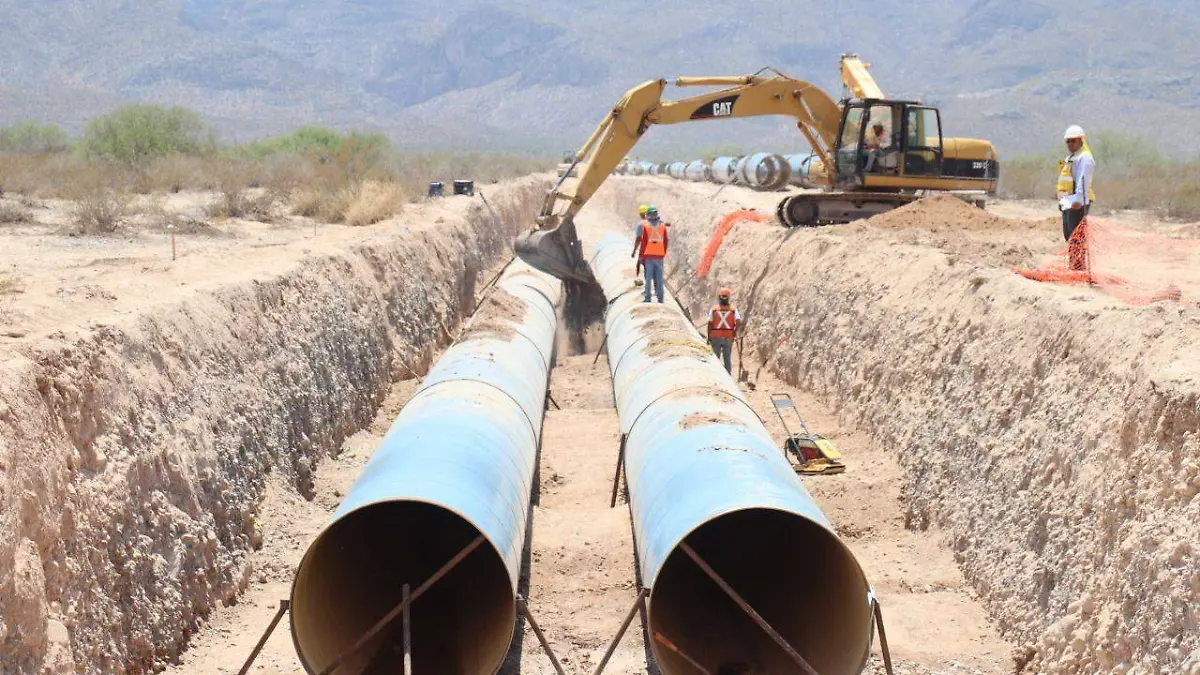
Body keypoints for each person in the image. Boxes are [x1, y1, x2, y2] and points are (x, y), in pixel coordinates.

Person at [1057, 124, 1096, 242]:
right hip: (1068, 202)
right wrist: (1062, 201)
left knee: (1077, 239)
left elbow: (1083, 181)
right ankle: (1073, 261)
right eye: (1068, 141)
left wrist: (1078, 201)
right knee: (1070, 238)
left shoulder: (1085, 158)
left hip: (1077, 204)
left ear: (1081, 141)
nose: (1070, 144)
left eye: (1073, 141)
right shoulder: (1071, 158)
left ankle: (1078, 261)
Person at [631, 205, 668, 302]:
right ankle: (660, 299)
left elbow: (643, 243)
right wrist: (663, 253)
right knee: (659, 278)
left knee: (648, 278)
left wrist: (640, 256)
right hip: (659, 256)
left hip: (648, 256)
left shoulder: (646, 227)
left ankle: (648, 298)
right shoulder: (662, 226)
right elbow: (666, 241)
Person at [707, 287, 741, 374]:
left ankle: (716, 376)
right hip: (728, 337)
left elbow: (710, 323)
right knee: (727, 359)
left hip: (715, 337)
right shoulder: (733, 310)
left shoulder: (714, 309)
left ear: (719, 297)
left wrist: (708, 336)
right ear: (728, 298)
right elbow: (738, 322)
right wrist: (734, 332)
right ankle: (728, 379)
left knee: (715, 359)